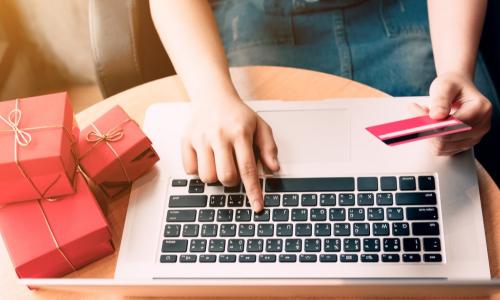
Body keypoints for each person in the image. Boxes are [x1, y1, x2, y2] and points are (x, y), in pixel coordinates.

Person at [150, 0, 497, 212]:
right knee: (247, 172)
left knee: (450, 166)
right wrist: (213, 96)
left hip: (400, 11)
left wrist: (455, 69)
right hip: (257, 16)